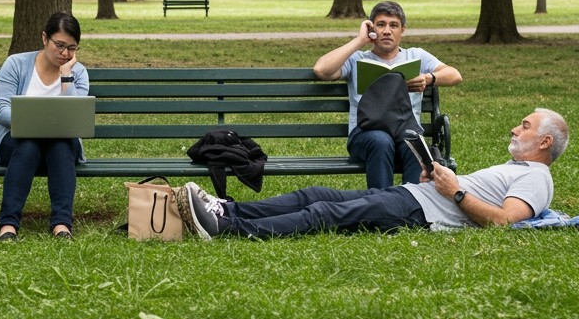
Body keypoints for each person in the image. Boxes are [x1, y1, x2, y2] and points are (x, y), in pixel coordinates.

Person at [182, 108, 568, 239]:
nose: (516, 130)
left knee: (323, 214)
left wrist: (454, 191)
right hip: (415, 196)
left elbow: (502, 223)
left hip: (419, 213)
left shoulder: (537, 178)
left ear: (545, 142)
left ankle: (228, 228)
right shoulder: (518, 168)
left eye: (525, 126)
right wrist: (440, 181)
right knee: (312, 195)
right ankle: (224, 210)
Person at [313, 0, 461, 189]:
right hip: (366, 133)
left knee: (414, 145)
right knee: (381, 141)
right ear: (371, 28)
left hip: (405, 131)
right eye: (381, 24)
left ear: (402, 30)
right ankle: (381, 208)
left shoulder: (416, 56)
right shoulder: (358, 58)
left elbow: (455, 75)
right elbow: (321, 70)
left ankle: (413, 206)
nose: (387, 31)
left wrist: (429, 78)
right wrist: (359, 41)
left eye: (393, 25)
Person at [0, 12, 89, 241]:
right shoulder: (16, 64)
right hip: (17, 142)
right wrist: (31, 123)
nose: (65, 54)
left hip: (61, 144)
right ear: (45, 38)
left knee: (61, 145)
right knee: (29, 145)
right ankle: (8, 225)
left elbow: (75, 116)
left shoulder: (78, 72)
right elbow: (0, 109)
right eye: (60, 45)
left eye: (72, 48)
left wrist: (66, 77)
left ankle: (62, 225)